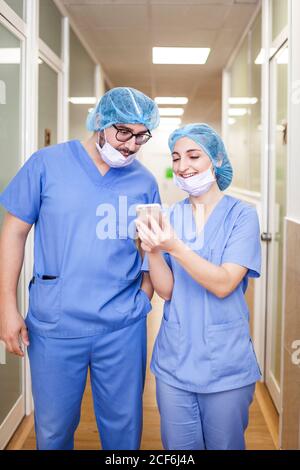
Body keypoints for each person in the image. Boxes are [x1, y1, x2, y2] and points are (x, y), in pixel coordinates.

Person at [0, 87, 161, 450]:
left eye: (141, 136)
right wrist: (7, 307)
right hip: (56, 324)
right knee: (54, 431)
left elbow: (153, 249)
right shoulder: (46, 164)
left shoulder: (144, 182)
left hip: (122, 325)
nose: (132, 145)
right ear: (101, 122)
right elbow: (14, 233)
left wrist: (143, 299)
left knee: (124, 431)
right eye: (124, 132)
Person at [136, 123, 262, 450]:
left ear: (216, 160)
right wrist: (151, 248)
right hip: (174, 361)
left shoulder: (242, 217)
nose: (182, 166)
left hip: (225, 365)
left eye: (193, 156)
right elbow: (167, 291)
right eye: (176, 158)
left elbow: (223, 284)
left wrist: (174, 246)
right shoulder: (171, 215)